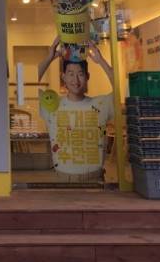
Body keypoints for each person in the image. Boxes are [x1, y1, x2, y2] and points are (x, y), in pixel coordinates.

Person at [38, 37, 114, 182]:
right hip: (63, 181)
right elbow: (25, 85)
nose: (76, 80)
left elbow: (119, 88)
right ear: (63, 77)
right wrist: (49, 58)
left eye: (80, 74)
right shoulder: (52, 104)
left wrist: (101, 61)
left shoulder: (101, 104)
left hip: (95, 182)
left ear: (87, 76)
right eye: (71, 74)